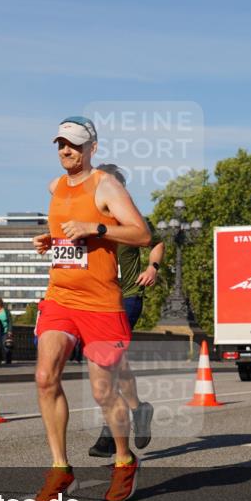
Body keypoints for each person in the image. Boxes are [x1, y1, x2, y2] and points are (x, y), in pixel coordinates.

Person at [31, 115, 151, 501]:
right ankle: (61, 469)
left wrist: (96, 228)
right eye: (61, 144)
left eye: (75, 144)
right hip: (60, 298)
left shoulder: (106, 186)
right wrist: (50, 240)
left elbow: (141, 233)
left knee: (102, 391)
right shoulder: (55, 187)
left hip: (101, 305)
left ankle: (123, 459)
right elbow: (67, 232)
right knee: (45, 377)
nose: (66, 150)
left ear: (92, 148)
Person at [87, 163, 165, 458]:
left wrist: (152, 267)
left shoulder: (130, 218)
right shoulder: (86, 218)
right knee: (115, 363)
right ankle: (138, 409)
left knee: (107, 362)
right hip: (95, 302)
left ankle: (109, 434)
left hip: (127, 298)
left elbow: (156, 243)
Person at [0, 297, 14, 365]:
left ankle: (8, 360)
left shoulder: (6, 311)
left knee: (6, 346)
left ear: (1, 304)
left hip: (5, 331)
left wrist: (10, 330)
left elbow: (10, 321)